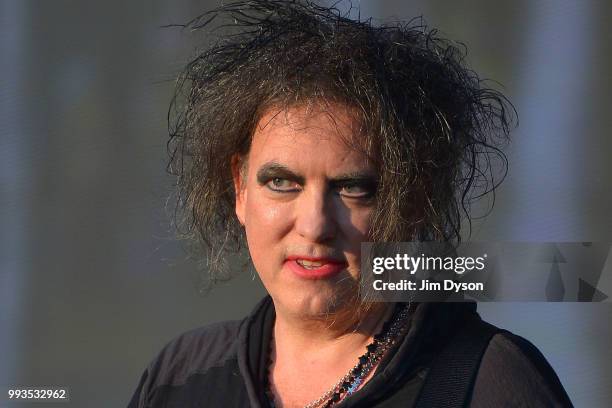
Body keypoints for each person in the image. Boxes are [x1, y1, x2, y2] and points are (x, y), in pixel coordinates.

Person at [128, 1, 573, 407]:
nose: (315, 225)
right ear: (240, 189)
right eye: (282, 182)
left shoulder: (491, 382)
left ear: (413, 201)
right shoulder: (181, 376)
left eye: (353, 188)